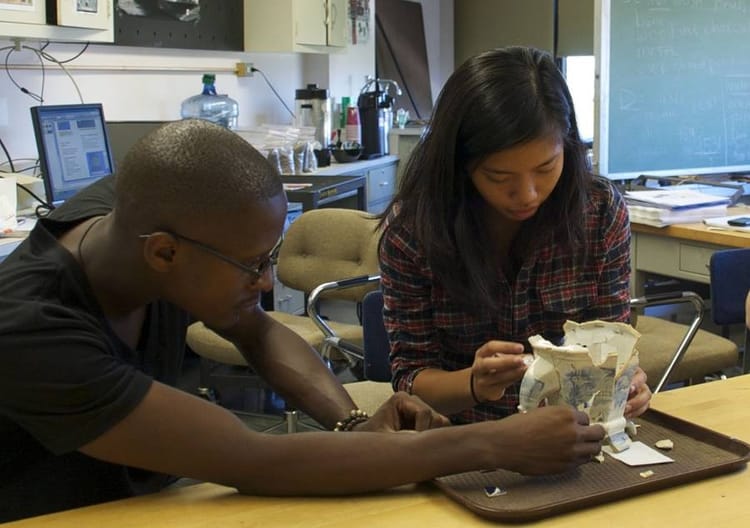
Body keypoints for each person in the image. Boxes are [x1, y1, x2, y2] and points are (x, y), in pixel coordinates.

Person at [0, 119, 607, 522]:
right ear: (162, 252)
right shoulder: (29, 331)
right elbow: (255, 461)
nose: (267, 282)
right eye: (252, 265)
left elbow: (255, 328)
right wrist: (489, 443)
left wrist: (350, 424)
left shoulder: (133, 215)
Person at [378, 46, 652, 425]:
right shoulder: (413, 234)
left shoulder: (599, 212)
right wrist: (473, 383)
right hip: (465, 441)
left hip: (573, 436)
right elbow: (410, 383)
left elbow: (612, 342)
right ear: (461, 164)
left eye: (545, 168)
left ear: (568, 147)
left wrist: (627, 382)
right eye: (498, 176)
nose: (527, 194)